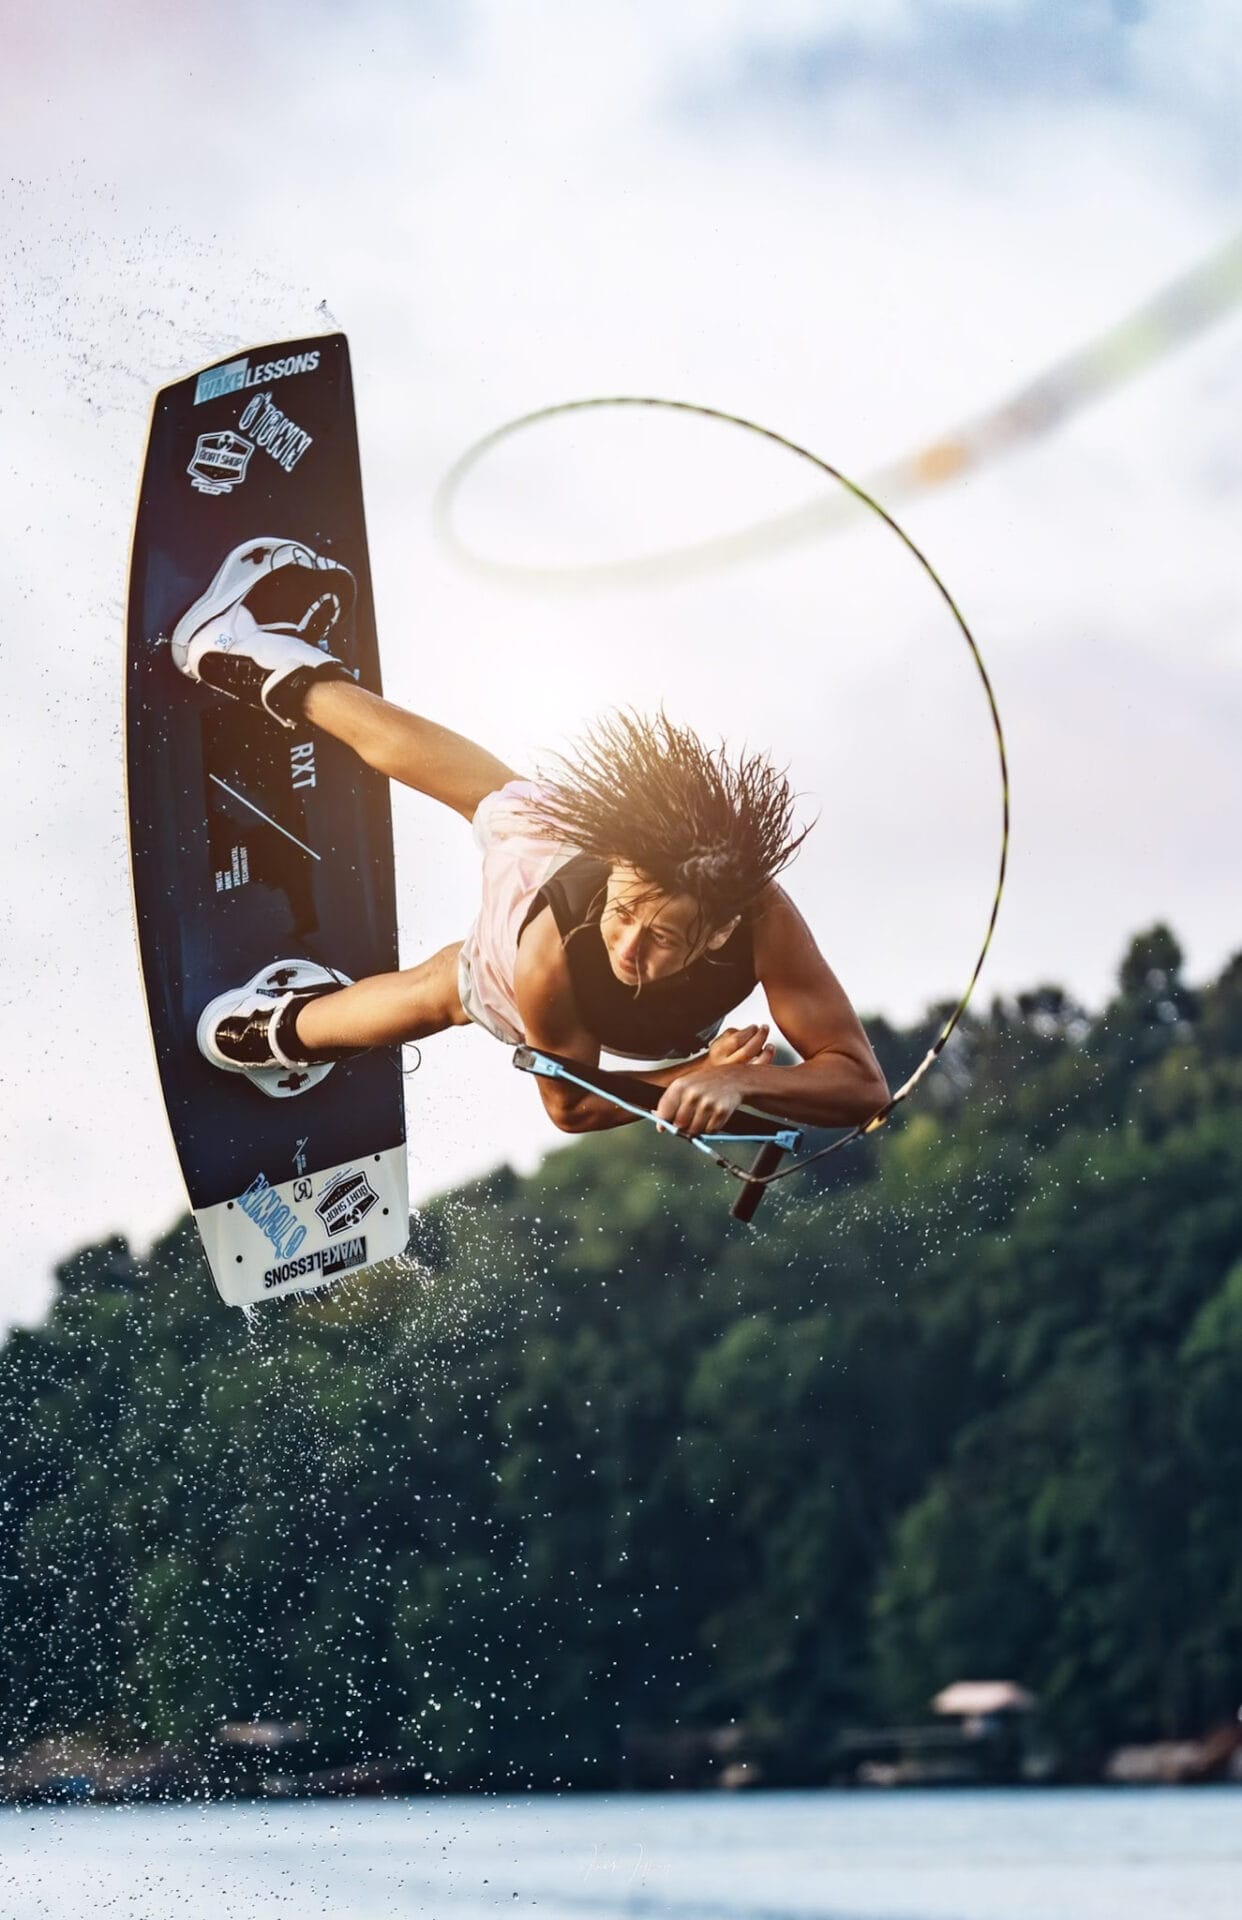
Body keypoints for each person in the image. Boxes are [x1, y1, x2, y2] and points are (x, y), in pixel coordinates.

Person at [173, 539, 890, 1139]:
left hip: (646, 1020)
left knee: (450, 983)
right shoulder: (544, 947)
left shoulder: (761, 916)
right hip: (546, 910)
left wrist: (739, 1080)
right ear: (617, 866)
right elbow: (573, 1103)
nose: (629, 947)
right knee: (456, 966)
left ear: (721, 930)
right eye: (624, 912)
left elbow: (862, 1084)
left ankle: (274, 1028)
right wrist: (704, 1078)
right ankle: (243, 657)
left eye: (663, 938)